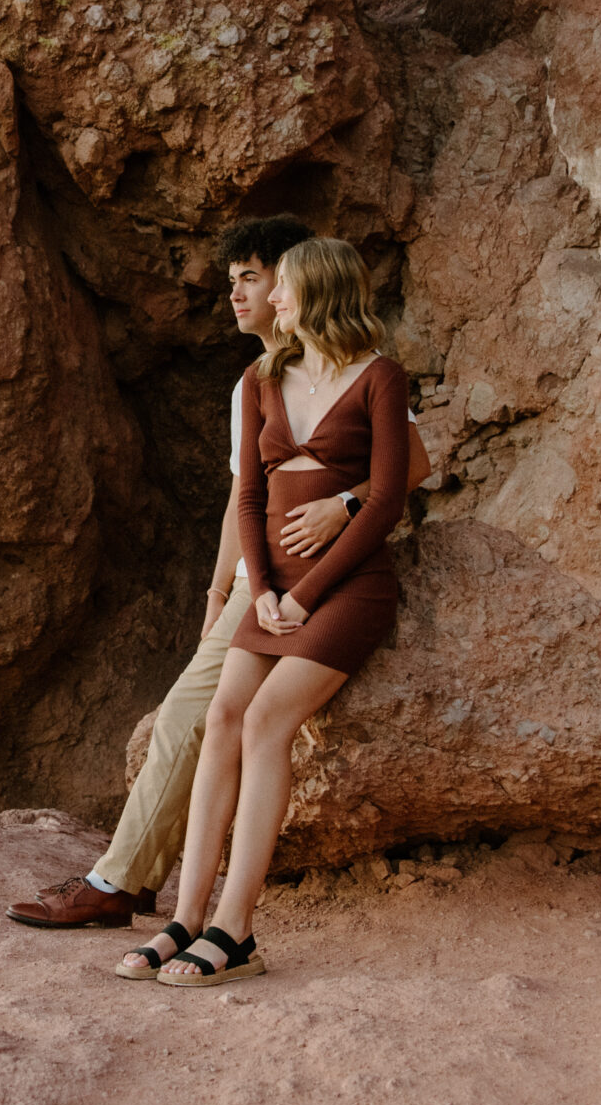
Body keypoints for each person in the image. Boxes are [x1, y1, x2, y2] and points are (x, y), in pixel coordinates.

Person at [6, 218, 428, 932]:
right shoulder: (259, 381)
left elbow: (408, 468)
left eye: (254, 278)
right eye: (232, 278)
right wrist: (221, 593)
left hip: (317, 574)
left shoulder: (359, 371)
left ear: (297, 285)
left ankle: (131, 886)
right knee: (204, 713)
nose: (237, 292)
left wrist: (342, 504)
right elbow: (245, 499)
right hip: (257, 576)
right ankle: (171, 901)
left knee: (188, 717)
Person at [139, 236, 410, 987]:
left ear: (317, 293)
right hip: (273, 585)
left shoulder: (379, 377)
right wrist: (257, 587)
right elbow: (251, 494)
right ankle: (185, 917)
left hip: (347, 584)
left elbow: (387, 496)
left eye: (282, 287)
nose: (272, 299)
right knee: (222, 717)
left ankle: (235, 926)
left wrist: (303, 593)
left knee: (266, 721)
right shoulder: (265, 375)